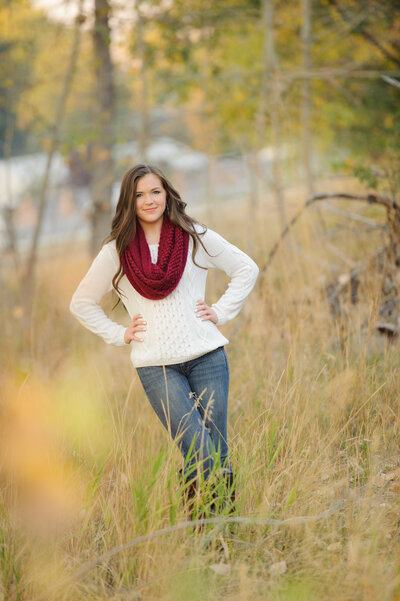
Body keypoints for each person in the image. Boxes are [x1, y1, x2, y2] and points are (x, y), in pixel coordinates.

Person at [69, 163, 259, 517]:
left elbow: (246, 268)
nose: (149, 200)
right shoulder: (117, 250)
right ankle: (207, 535)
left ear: (167, 193)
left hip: (208, 356)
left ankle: (220, 539)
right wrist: (118, 333)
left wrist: (221, 311)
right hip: (156, 365)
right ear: (129, 202)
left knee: (216, 451)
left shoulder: (193, 236)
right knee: (201, 450)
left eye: (155, 191)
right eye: (139, 195)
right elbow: (80, 303)